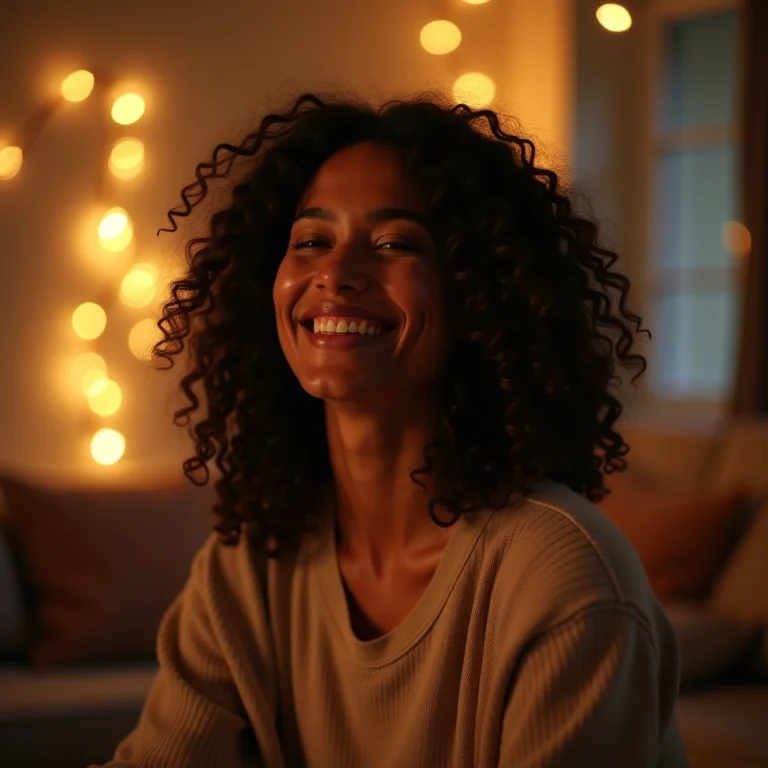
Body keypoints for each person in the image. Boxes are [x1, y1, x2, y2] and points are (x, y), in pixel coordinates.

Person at [94, 92, 688, 768]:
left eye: (395, 243)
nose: (336, 275)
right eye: (312, 240)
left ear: (477, 294)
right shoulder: (250, 565)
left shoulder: (564, 577)